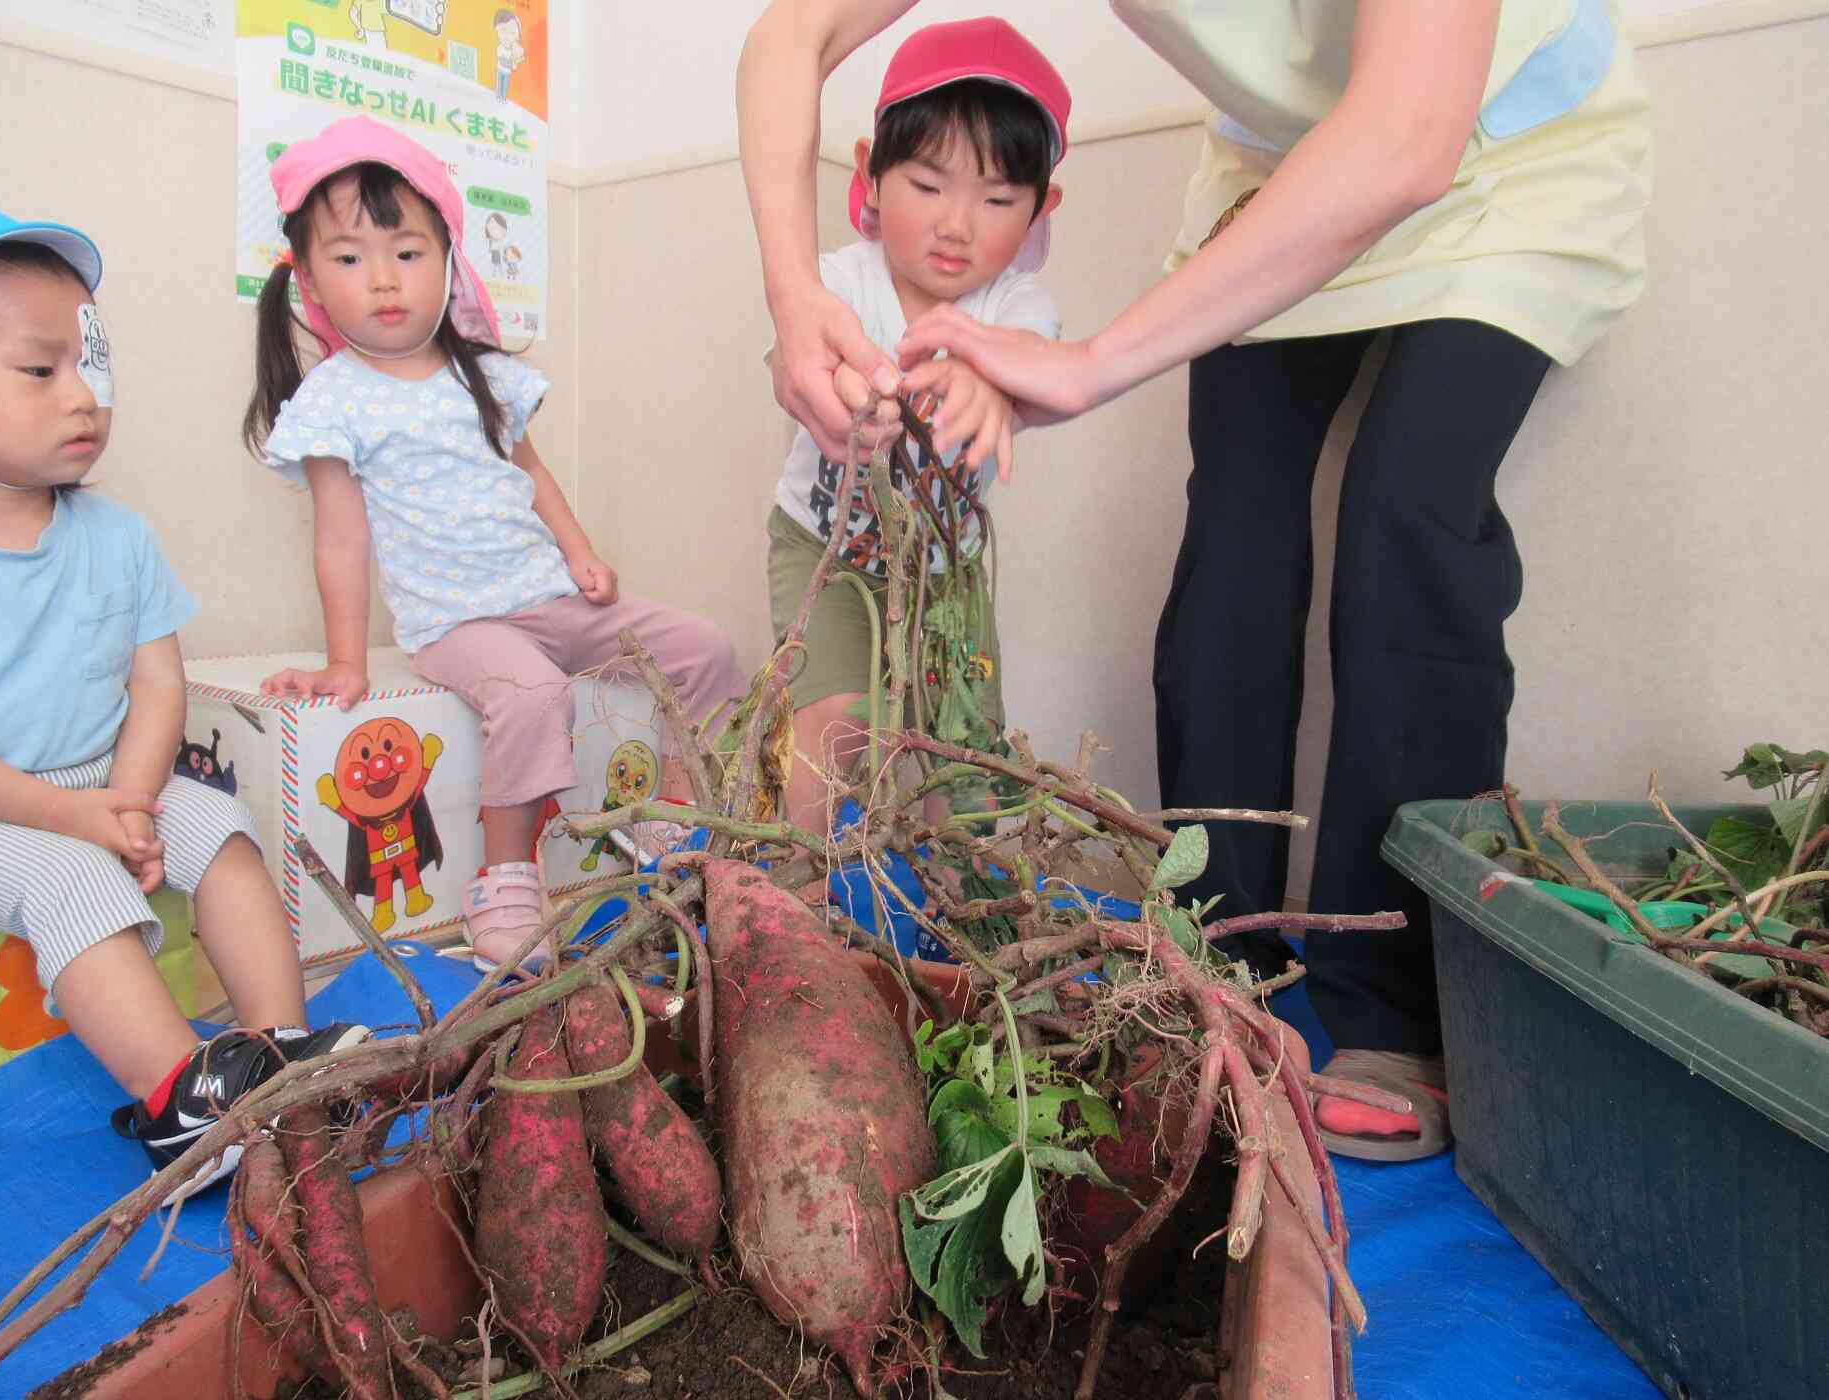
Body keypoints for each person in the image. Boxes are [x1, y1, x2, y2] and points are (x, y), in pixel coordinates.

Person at [738, 0, 1651, 1159]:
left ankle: (1394, 1007)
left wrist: (1089, 365)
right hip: (1287, 178)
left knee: (1403, 521)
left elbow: (1412, 137)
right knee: (1232, 544)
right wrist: (788, 288)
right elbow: (791, 34)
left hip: (1504, 154)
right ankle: (1219, 956)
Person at [243, 118, 744, 973]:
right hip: (459, 622)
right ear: (312, 285)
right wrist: (345, 663)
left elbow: (534, 476)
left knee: (705, 649)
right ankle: (506, 878)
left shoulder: (484, 373)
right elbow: (339, 536)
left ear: (446, 257)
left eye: (406, 252)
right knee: (532, 692)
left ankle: (668, 817)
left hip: (548, 596)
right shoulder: (336, 401)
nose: (384, 280)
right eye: (350, 258)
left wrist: (581, 552)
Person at [0, 195, 366, 1198]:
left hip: (109, 779)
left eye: (92, 367)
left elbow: (157, 681)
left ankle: (278, 1050)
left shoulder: (119, 536)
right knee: (71, 879)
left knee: (221, 825)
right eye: (41, 371)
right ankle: (177, 1103)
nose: (83, 397)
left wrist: (135, 799)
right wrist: (73, 817)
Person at [764, 17, 1066, 836]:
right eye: (929, 187)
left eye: (998, 199)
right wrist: (829, 386)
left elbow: (1028, 355)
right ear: (870, 173)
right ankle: (802, 885)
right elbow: (782, 362)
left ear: (1041, 210)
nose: (956, 225)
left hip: (947, 580)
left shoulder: (1014, 306)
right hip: (823, 548)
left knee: (954, 752)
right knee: (835, 715)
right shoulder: (835, 279)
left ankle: (955, 903)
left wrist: (983, 376)